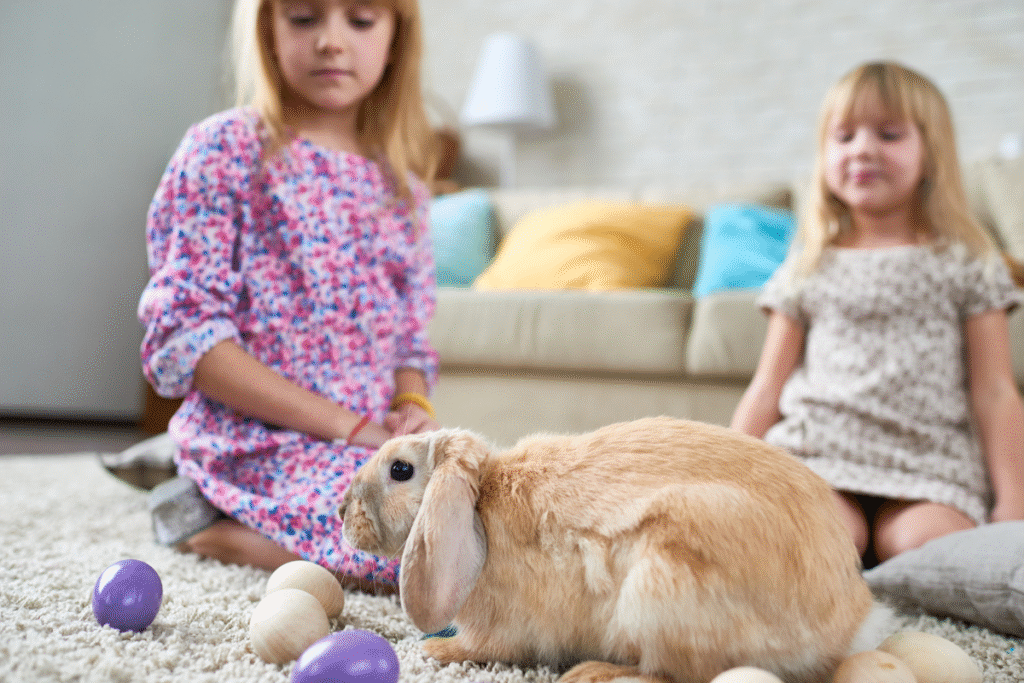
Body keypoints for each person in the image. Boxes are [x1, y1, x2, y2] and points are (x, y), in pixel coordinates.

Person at [138, 0, 440, 592]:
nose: (332, 41)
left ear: (397, 35)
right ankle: (208, 520)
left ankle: (239, 522)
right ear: (266, 29)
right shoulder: (224, 150)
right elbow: (187, 338)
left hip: (368, 440)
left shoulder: (402, 190)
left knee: (487, 512)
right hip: (254, 440)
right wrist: (349, 428)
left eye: (360, 20)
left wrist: (413, 408)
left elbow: (410, 341)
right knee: (421, 553)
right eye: (304, 18)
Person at [730, 61, 1024, 565]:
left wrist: (1014, 500)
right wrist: (719, 472)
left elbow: (996, 392)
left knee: (923, 549)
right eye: (843, 137)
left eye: (888, 134)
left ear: (931, 153)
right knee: (824, 541)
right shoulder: (808, 267)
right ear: (824, 156)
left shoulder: (968, 263)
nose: (863, 149)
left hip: (930, 463)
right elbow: (766, 388)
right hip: (818, 452)